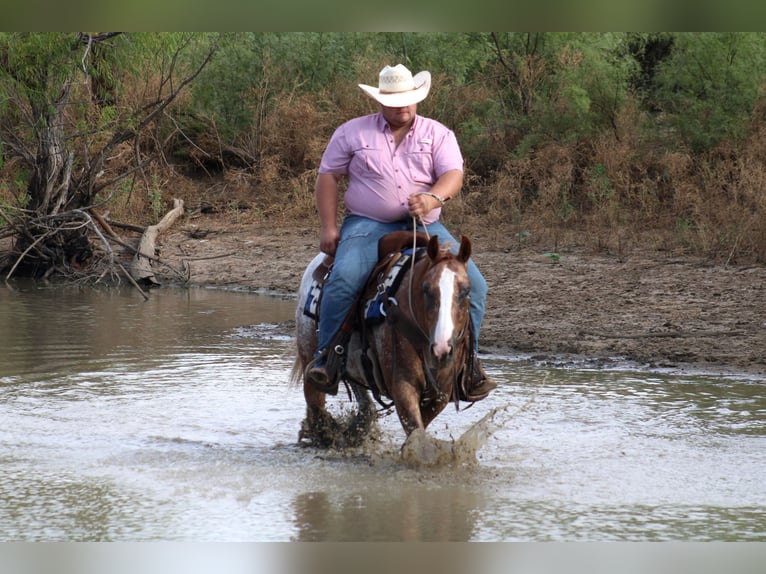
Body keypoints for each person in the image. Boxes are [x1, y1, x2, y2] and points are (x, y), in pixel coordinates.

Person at [305, 64, 496, 402]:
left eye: (410, 100)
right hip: (367, 224)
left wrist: (432, 197)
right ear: (381, 101)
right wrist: (329, 227)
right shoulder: (352, 132)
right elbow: (328, 177)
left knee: (475, 285)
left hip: (426, 224)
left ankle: (469, 365)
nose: (404, 108)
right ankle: (327, 358)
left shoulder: (438, 134)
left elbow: (453, 174)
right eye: (395, 102)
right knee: (346, 277)